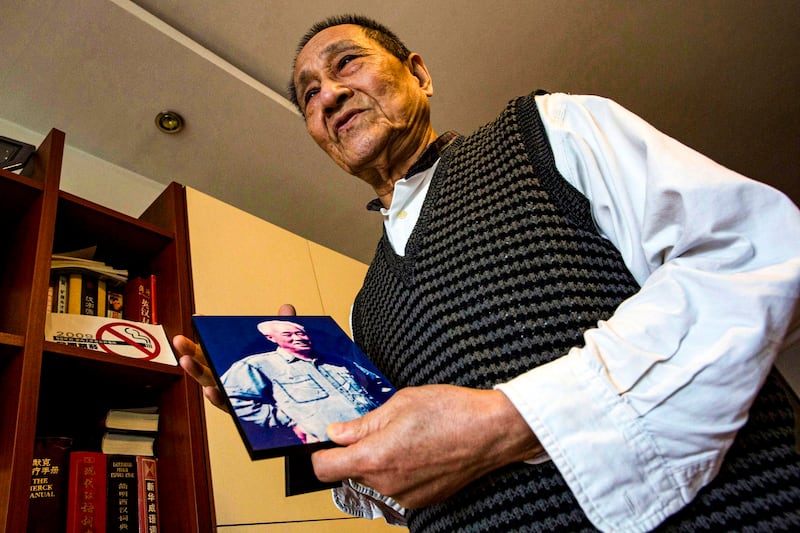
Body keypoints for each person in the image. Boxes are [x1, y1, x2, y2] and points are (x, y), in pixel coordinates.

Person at [174, 14, 800, 532]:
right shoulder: (366, 308)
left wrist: (508, 423)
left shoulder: (548, 130)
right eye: (309, 94)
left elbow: (753, 259)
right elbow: (410, 481)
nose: (329, 95)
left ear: (419, 73)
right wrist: (282, 413)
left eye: (346, 64)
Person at [221, 319, 392, 445]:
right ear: (271, 338)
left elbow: (378, 385)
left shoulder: (339, 361)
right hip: (338, 448)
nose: (298, 337)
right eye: (288, 334)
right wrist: (289, 421)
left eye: (300, 333)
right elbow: (233, 398)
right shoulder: (256, 365)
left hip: (384, 437)